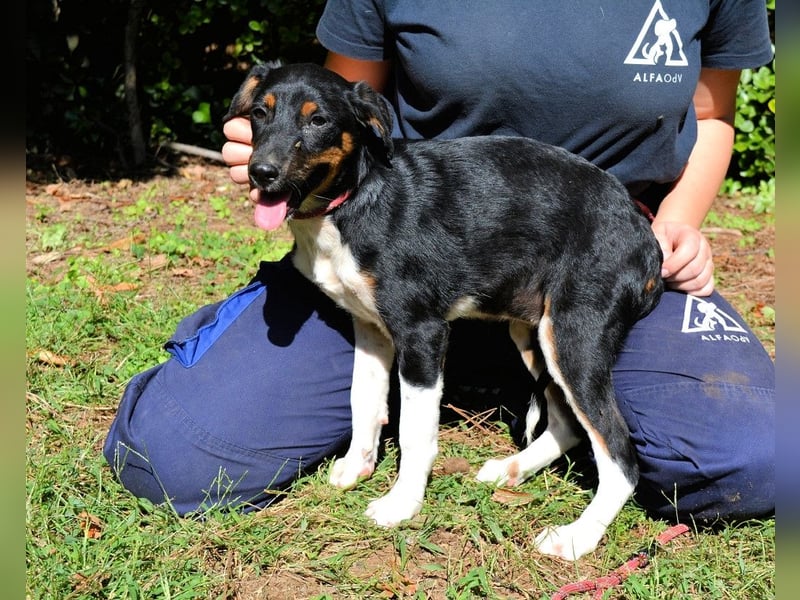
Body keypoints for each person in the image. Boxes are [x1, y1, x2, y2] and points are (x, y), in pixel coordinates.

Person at [104, 0, 775, 523]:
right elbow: (338, 101)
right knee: (172, 453)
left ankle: (546, 391)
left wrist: (677, 222)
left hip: (595, 251)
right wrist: (273, 162)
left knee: (761, 458)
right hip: (403, 245)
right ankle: (491, 384)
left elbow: (711, 116)